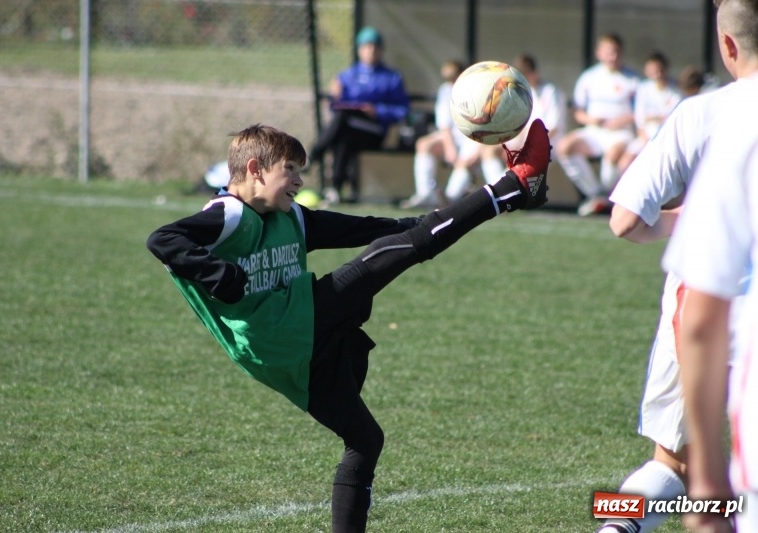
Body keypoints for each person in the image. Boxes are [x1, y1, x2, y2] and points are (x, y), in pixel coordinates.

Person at [146, 121, 551, 532]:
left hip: (293, 352)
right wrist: (219, 274)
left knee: (365, 440)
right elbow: (163, 239)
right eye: (290, 169)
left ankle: (513, 193)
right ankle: (512, 188)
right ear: (255, 169)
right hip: (287, 328)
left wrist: (423, 224)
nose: (299, 181)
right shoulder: (229, 215)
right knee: (388, 255)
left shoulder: (289, 217)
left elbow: (364, 228)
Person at [599, 1, 758, 531]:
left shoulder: (701, 113)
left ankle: (614, 526)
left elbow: (625, 220)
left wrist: (683, 218)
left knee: (672, 465)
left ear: (728, 44)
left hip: (700, 310)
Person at [308, 26, 409, 205]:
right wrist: (335, 97)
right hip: (350, 127)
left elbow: (402, 110)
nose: (371, 50)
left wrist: (376, 110)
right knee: (344, 135)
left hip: (374, 131)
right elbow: (335, 107)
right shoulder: (347, 76)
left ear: (381, 50)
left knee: (342, 122)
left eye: (375, 46)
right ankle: (335, 189)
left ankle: (314, 155)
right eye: (367, 46)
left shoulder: (392, 77)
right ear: (359, 49)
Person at [556, 33, 640, 216]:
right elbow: (578, 112)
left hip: (621, 134)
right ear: (599, 53)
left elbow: (640, 112)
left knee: (613, 155)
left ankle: (607, 197)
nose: (613, 57)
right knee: (564, 147)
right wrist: (590, 120)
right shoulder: (589, 77)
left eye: (616, 52)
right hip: (594, 132)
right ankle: (595, 195)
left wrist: (621, 121)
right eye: (609, 52)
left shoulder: (633, 79)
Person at [399, 59, 487, 210]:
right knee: (424, 144)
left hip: (475, 137)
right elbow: (444, 124)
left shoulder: (479, 90)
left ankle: (450, 197)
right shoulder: (446, 90)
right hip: (453, 136)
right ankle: (425, 194)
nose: (451, 82)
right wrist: (449, 147)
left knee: (465, 161)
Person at [477, 53, 567, 195]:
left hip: (544, 145)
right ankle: (497, 192)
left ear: (534, 72)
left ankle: (499, 193)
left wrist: (524, 147)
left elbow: (553, 128)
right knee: (489, 150)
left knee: (514, 171)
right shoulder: (520, 93)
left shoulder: (551, 91)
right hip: (521, 143)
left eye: (526, 74)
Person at [615, 52, 683, 175]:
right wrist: (645, 136)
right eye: (652, 71)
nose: (657, 74)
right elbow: (640, 118)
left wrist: (654, 118)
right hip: (645, 138)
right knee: (624, 164)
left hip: (668, 139)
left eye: (659, 70)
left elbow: (674, 117)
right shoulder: (644, 89)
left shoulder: (676, 90)